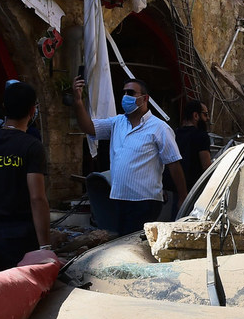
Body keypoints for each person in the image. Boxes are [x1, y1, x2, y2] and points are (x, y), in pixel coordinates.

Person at [71, 76, 186, 235]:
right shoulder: (117, 122)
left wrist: (182, 197)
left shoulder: (159, 128)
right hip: (119, 198)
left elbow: (174, 163)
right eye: (124, 92)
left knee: (134, 244)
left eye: (131, 93)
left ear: (144, 98)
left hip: (145, 201)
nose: (125, 96)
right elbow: (89, 127)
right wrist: (78, 102)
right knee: (121, 243)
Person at [0, 82, 51, 274]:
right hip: (19, 238)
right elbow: (37, 198)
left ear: (4, 107)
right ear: (33, 110)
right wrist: (45, 247)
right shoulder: (32, 147)